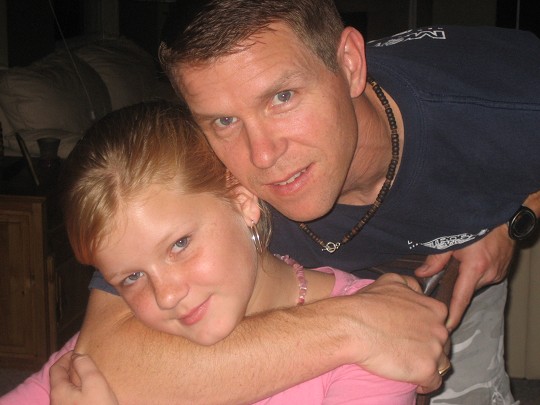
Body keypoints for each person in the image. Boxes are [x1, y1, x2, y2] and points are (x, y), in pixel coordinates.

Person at [55, 0, 540, 404]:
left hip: (451, 252)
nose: (262, 156)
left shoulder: (506, 105)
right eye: (224, 120)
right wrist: (355, 325)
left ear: (349, 64)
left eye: (282, 96)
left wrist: (514, 215)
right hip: (303, 293)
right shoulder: (206, 166)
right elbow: (109, 360)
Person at [1, 101, 417, 405]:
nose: (166, 296)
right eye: (131, 277)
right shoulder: (130, 342)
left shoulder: (377, 343)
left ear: (241, 201)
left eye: (179, 244)